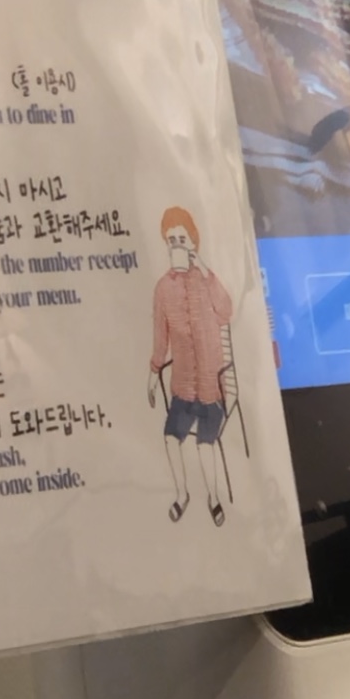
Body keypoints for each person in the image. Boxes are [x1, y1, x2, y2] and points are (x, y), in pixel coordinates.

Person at [148, 206, 233, 525]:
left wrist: (206, 270)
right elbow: (160, 336)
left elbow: (226, 312)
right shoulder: (162, 288)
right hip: (182, 390)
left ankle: (213, 497)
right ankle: (182, 494)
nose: (176, 245)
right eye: (171, 241)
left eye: (182, 239)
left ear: (193, 242)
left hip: (211, 389)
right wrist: (153, 374)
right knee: (171, 437)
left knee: (204, 444)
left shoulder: (205, 281)